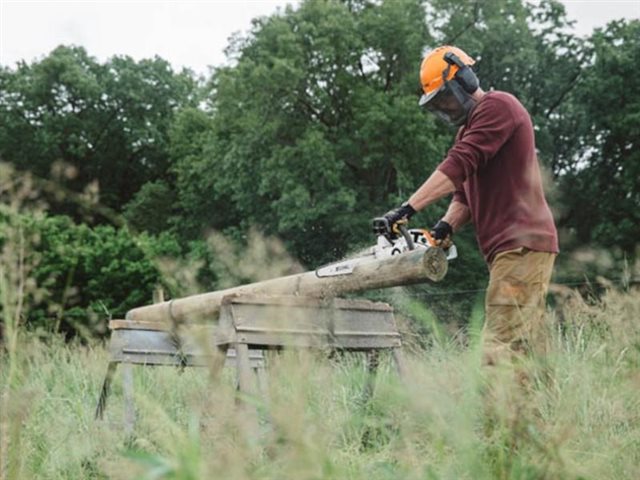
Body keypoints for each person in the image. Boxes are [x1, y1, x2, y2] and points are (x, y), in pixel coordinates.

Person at [377, 45, 559, 370]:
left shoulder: (497, 106)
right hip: (512, 250)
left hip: (520, 245)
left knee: (498, 350)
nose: (444, 107)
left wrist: (406, 210)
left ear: (465, 78)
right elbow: (463, 192)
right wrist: (445, 227)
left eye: (445, 97)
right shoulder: (469, 128)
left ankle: (498, 421)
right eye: (437, 104)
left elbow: (459, 164)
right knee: (523, 349)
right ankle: (538, 419)